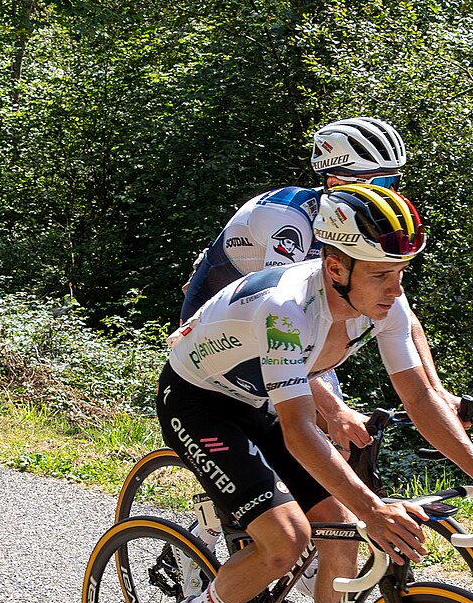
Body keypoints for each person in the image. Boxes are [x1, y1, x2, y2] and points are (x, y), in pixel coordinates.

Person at [154, 182, 473, 603]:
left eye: (399, 273)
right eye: (379, 273)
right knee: (288, 540)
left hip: (257, 399)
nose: (393, 288)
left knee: (340, 532)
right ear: (335, 268)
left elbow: (420, 396)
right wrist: (376, 508)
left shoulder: (384, 300)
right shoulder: (286, 309)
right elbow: (303, 431)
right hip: (199, 402)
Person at [178, 117, 419, 458]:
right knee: (308, 420)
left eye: (392, 180)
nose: (387, 192)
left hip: (286, 319)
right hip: (225, 321)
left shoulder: (356, 226)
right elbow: (279, 316)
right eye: (377, 181)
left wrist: (437, 394)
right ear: (334, 181)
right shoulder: (289, 219)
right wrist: (333, 411)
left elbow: (404, 319)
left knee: (341, 434)